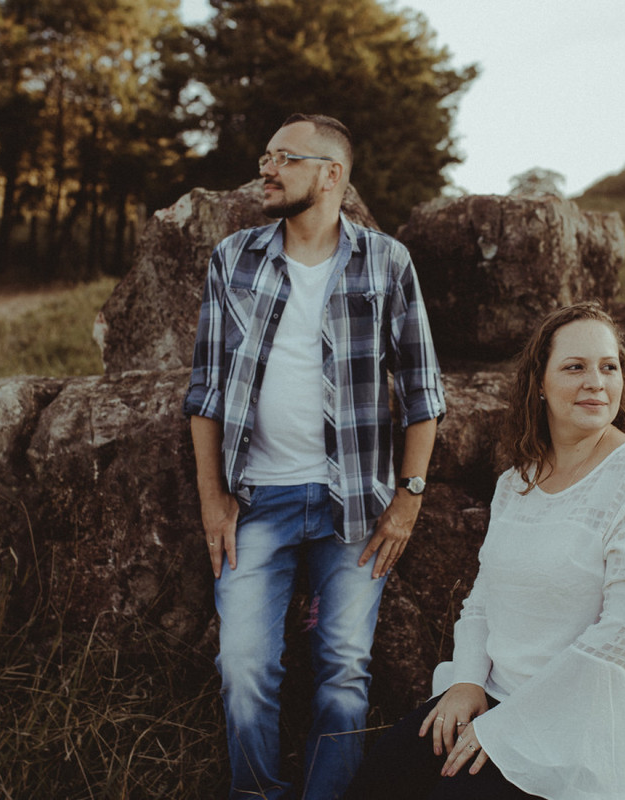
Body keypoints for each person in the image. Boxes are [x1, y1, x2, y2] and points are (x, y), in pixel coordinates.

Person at [343, 302, 625, 800]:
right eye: (574, 367)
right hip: (507, 691)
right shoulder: (516, 484)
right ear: (539, 381)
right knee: (385, 771)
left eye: (608, 367)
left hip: (616, 706)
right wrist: (467, 682)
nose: (595, 382)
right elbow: (483, 599)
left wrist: (512, 725)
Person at [183, 113, 446, 800]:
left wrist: (408, 500)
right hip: (256, 503)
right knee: (243, 667)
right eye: (266, 157)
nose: (267, 169)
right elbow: (205, 391)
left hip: (354, 506)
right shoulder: (233, 259)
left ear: (331, 175)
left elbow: (424, 393)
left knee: (345, 667)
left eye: (284, 159)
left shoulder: (387, 263)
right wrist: (212, 498)